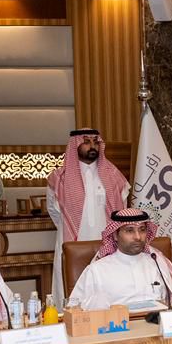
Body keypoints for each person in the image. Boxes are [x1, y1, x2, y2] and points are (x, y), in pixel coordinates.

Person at [47, 129, 129, 301]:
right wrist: (69, 227)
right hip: (72, 242)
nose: (92, 146)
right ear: (75, 145)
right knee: (70, 285)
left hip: (105, 241)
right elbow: (53, 211)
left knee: (107, 286)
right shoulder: (59, 178)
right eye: (86, 142)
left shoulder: (113, 175)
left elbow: (123, 209)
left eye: (95, 141)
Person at [66, 209, 172, 311]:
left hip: (157, 324)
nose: (138, 237)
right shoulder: (97, 270)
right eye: (129, 230)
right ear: (115, 235)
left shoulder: (158, 262)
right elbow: (74, 309)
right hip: (116, 327)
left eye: (142, 230)